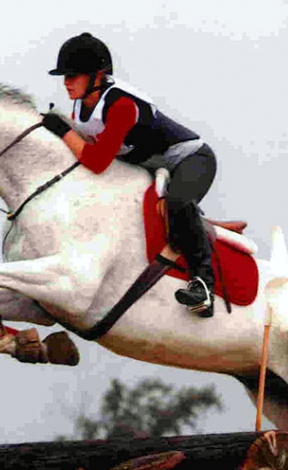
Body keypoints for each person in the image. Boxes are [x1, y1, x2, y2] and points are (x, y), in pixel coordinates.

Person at [42, 32, 218, 318]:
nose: (66, 82)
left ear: (97, 77)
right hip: (149, 166)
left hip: (191, 160)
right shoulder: (81, 106)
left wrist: (62, 131)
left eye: (74, 75)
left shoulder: (122, 105)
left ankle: (203, 287)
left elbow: (97, 161)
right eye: (65, 76)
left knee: (178, 203)